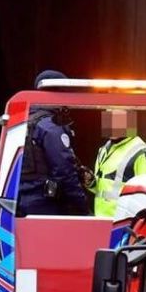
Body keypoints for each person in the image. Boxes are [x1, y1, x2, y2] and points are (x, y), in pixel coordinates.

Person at [18, 70, 90, 215]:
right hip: (47, 206)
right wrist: (82, 206)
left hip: (20, 204)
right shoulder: (51, 127)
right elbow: (64, 172)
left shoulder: (21, 122)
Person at [89, 109, 146, 217]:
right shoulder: (104, 149)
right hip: (101, 218)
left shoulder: (143, 153)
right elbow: (103, 189)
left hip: (124, 223)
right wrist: (90, 183)